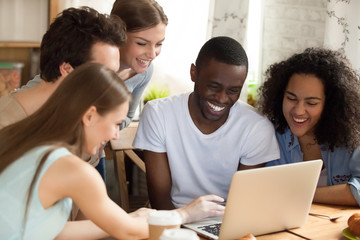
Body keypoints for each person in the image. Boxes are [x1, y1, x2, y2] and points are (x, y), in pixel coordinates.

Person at [0, 63, 225, 240]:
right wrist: (186, 213)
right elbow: (128, 232)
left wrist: (127, 218)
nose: (116, 135)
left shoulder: (32, 143)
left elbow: (51, 231)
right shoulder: (73, 169)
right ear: (89, 116)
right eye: (116, 123)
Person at [0, 6, 126, 219]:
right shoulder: (6, 124)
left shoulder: (86, 125)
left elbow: (84, 214)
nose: (110, 86)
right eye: (103, 74)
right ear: (67, 70)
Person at [133, 36, 280, 209]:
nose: (222, 98)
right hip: (173, 218)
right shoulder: (158, 113)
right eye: (214, 86)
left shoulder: (256, 127)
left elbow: (244, 205)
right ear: (193, 73)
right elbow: (160, 202)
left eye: (233, 91)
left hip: (226, 222)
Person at [257, 47, 360, 206]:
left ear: (331, 105)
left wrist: (300, 194)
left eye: (311, 103)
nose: (298, 111)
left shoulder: (353, 134)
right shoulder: (271, 134)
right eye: (291, 98)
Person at [110, 0, 168, 129]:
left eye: (159, 44)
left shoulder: (144, 72)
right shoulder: (92, 65)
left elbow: (128, 117)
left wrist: (109, 125)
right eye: (142, 43)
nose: (152, 55)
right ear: (117, 33)